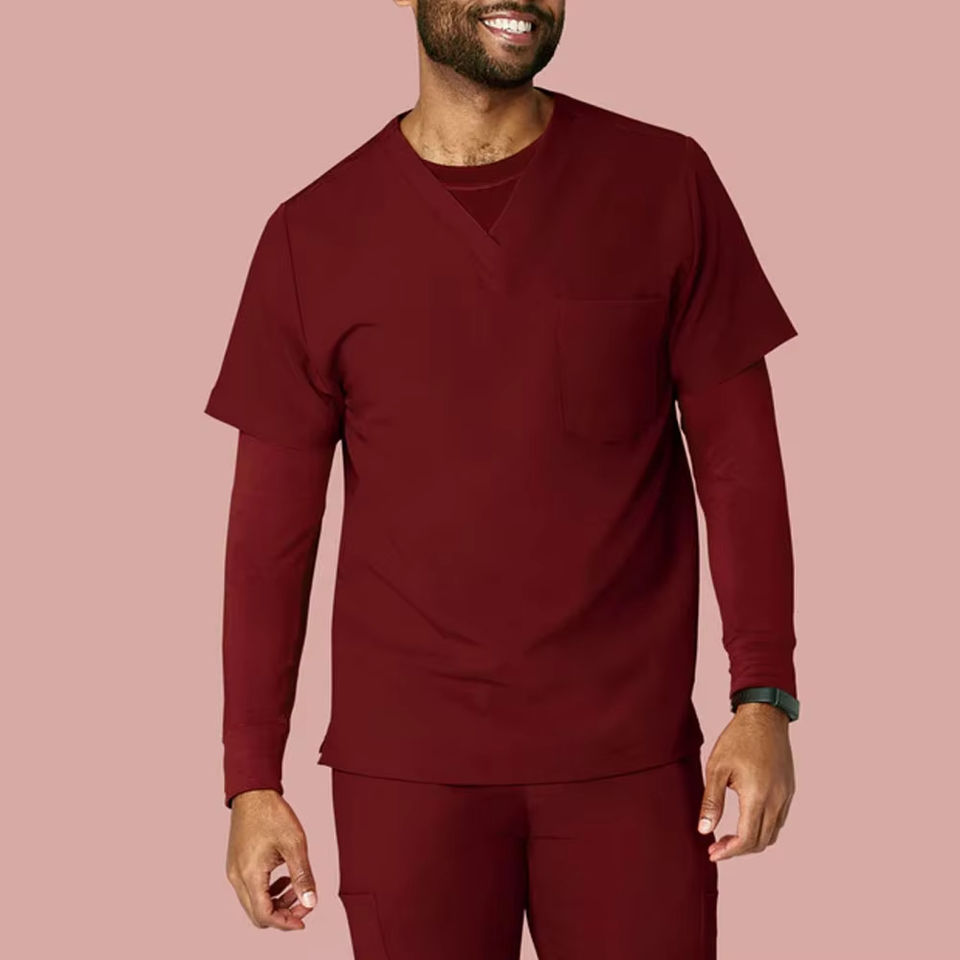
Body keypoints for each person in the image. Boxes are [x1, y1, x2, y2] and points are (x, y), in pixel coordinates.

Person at [204, 2, 800, 957]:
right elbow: (270, 538)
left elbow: (740, 463)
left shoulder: (665, 182)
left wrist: (762, 697)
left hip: (631, 763)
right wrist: (252, 779)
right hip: (407, 775)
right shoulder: (310, 236)